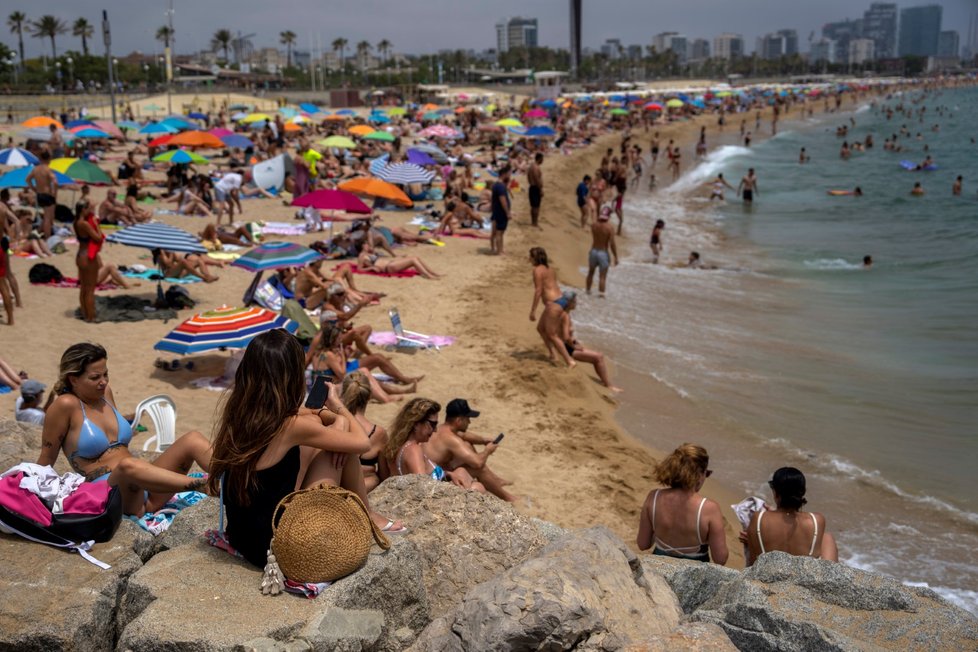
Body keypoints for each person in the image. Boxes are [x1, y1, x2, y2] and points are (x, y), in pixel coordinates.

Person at [207, 330, 404, 569]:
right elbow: (362, 443)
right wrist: (338, 407)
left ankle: (368, 513)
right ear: (292, 376)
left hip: (244, 538)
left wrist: (322, 415)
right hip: (279, 545)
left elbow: (305, 415)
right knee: (340, 449)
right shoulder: (290, 426)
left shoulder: (241, 413)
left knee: (323, 434)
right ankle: (368, 515)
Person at [37, 343, 213, 516]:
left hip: (145, 492)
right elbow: (47, 457)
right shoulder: (65, 405)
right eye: (95, 377)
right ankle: (205, 486)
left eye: (106, 374)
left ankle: (235, 478)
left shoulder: (105, 394)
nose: (103, 381)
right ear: (73, 379)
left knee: (193, 439)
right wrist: (31, 493)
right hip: (111, 496)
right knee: (128, 465)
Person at [637, 443, 728, 564]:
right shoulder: (708, 508)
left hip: (658, 566)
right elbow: (720, 558)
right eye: (706, 473)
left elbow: (643, 544)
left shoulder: (653, 497)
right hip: (693, 574)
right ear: (699, 474)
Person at [425, 398, 515, 501]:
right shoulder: (451, 439)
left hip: (436, 472)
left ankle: (496, 481)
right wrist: (487, 451)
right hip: (437, 480)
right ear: (459, 420)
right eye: (467, 418)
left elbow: (464, 435)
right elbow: (478, 463)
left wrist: (484, 440)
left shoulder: (443, 429)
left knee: (468, 444)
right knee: (478, 468)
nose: (469, 422)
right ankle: (508, 498)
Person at [384, 398, 483, 490]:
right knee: (477, 487)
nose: (435, 430)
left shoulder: (405, 446)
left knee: (462, 473)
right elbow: (422, 487)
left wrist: (447, 474)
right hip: (436, 501)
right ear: (416, 424)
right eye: (432, 424)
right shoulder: (413, 450)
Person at [745, 467, 836, 565]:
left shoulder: (759, 519)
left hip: (768, 576)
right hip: (805, 577)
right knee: (827, 537)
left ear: (775, 492)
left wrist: (752, 542)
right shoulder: (817, 520)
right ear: (802, 492)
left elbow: (753, 562)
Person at [306, 323, 418, 403]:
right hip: (326, 391)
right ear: (332, 339)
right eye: (338, 339)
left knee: (364, 372)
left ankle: (390, 395)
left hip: (320, 387)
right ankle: (386, 398)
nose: (340, 341)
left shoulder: (319, 352)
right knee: (364, 375)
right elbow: (342, 374)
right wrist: (342, 357)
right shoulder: (329, 355)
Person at [558, 293, 622, 392]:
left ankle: (606, 382)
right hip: (566, 348)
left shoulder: (564, 314)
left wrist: (575, 342)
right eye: (575, 301)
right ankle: (608, 385)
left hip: (568, 345)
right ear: (569, 303)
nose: (576, 303)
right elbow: (566, 337)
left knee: (597, 357)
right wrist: (574, 347)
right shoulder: (565, 316)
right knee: (598, 357)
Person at [341, 371, 390, 493]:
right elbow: (384, 475)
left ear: (343, 394)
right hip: (364, 489)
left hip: (337, 484)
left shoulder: (334, 423)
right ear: (369, 396)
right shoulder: (378, 433)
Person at [73, 201, 106, 323]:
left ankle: (84, 313)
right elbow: (98, 237)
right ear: (83, 209)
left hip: (80, 255)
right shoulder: (85, 224)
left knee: (83, 288)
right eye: (88, 209)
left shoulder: (76, 222)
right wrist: (97, 225)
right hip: (88, 257)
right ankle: (91, 317)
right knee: (90, 289)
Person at [357, 243, 442, 279]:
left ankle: (433, 273)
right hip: (388, 267)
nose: (368, 245)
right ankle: (428, 275)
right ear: (362, 246)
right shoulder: (362, 256)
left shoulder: (368, 253)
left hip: (390, 264)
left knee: (416, 257)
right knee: (413, 260)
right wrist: (371, 268)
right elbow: (359, 269)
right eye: (366, 244)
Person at [586, 206, 618, 297]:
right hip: (603, 252)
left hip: (593, 251)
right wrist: (615, 256)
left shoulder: (594, 225)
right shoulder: (609, 228)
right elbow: (612, 244)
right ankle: (601, 297)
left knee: (590, 273)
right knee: (602, 277)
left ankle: (587, 292)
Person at [26, 150, 58, 238]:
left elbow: (28, 179)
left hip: (39, 195)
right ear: (49, 159)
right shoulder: (48, 169)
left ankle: (37, 232)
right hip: (47, 195)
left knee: (48, 217)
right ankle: (47, 239)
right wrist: (54, 193)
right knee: (48, 218)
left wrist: (33, 188)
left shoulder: (35, 169)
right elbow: (55, 182)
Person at [489, 167, 512, 255]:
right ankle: (499, 251)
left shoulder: (496, 185)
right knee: (499, 232)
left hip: (497, 211)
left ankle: (500, 249)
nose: (510, 176)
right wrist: (507, 213)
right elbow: (503, 201)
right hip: (501, 212)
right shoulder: (501, 187)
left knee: (498, 232)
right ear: (504, 174)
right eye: (509, 174)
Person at [527, 153, 543, 228]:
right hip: (535, 188)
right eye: (542, 159)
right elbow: (537, 179)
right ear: (539, 159)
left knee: (533, 206)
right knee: (536, 206)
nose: (543, 161)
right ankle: (535, 222)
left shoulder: (531, 166)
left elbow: (528, 177)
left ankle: (533, 221)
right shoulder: (536, 167)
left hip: (531, 187)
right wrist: (540, 189)